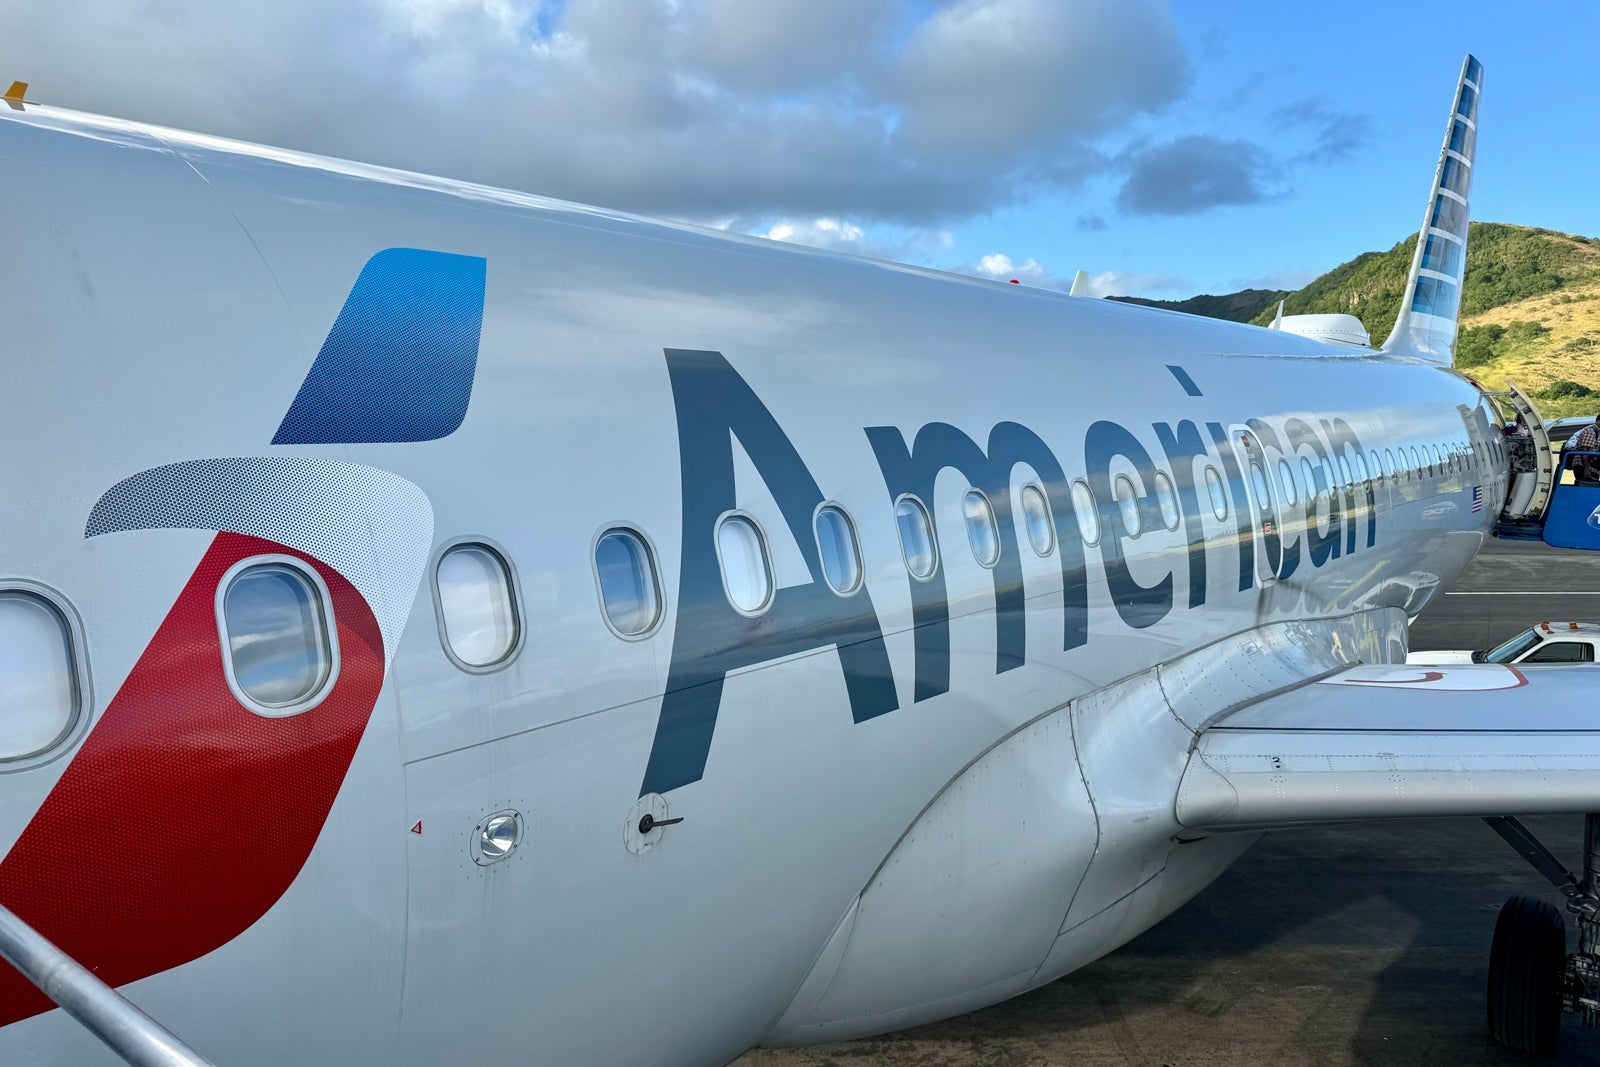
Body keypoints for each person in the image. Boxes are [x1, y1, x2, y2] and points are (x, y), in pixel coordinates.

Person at [1571, 413, 1600, 487]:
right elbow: (1585, 451)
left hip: (1592, 467)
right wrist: (1586, 468)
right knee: (1587, 487)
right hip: (1584, 466)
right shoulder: (1591, 431)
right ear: (1598, 421)